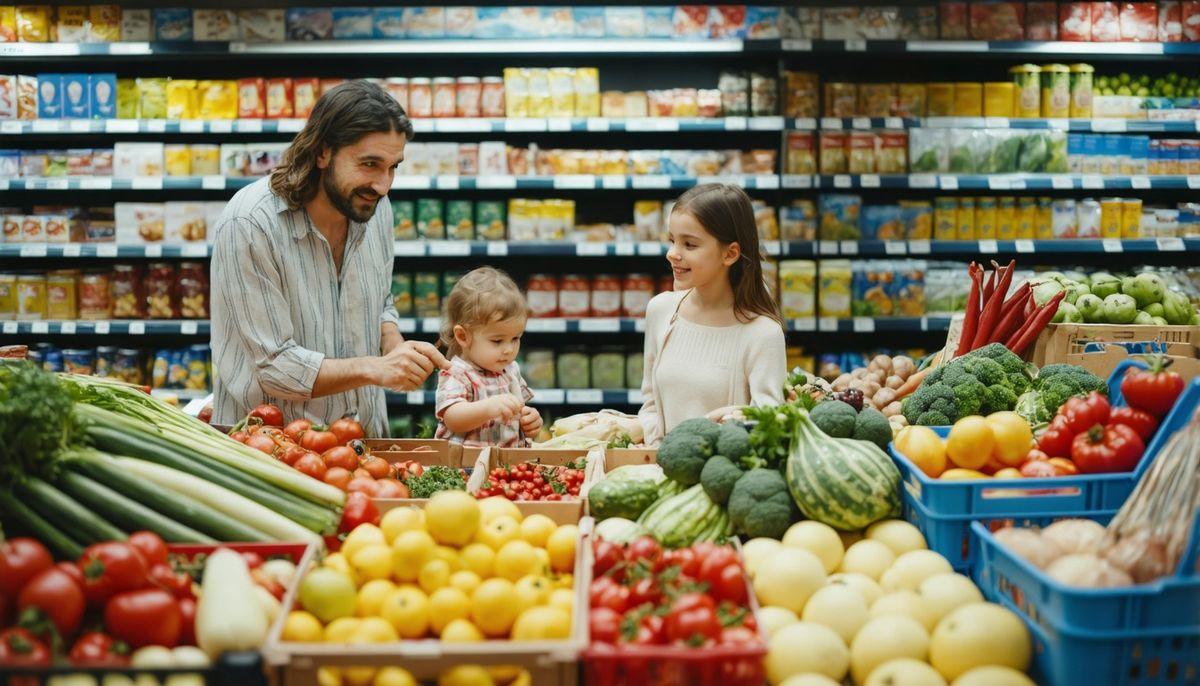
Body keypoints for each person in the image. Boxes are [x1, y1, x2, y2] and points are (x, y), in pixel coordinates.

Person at [210, 80, 448, 437]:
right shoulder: (251, 223)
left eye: (393, 167)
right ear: (323, 153)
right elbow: (275, 367)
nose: (383, 185)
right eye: (370, 164)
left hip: (361, 442)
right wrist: (376, 368)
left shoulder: (374, 209)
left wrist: (393, 343)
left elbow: (380, 300)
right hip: (270, 448)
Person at [638, 183, 787, 445]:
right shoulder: (661, 311)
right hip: (660, 471)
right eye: (672, 240)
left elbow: (767, 425)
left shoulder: (763, 333)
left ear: (730, 254)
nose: (673, 254)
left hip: (725, 477)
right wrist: (658, 452)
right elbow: (650, 403)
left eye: (689, 245)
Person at [435, 267, 543, 448]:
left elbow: (518, 411)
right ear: (463, 336)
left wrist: (529, 420)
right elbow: (452, 418)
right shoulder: (457, 373)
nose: (508, 349)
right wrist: (488, 408)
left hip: (506, 466)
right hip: (465, 467)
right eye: (497, 341)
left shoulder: (510, 370)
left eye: (515, 338)